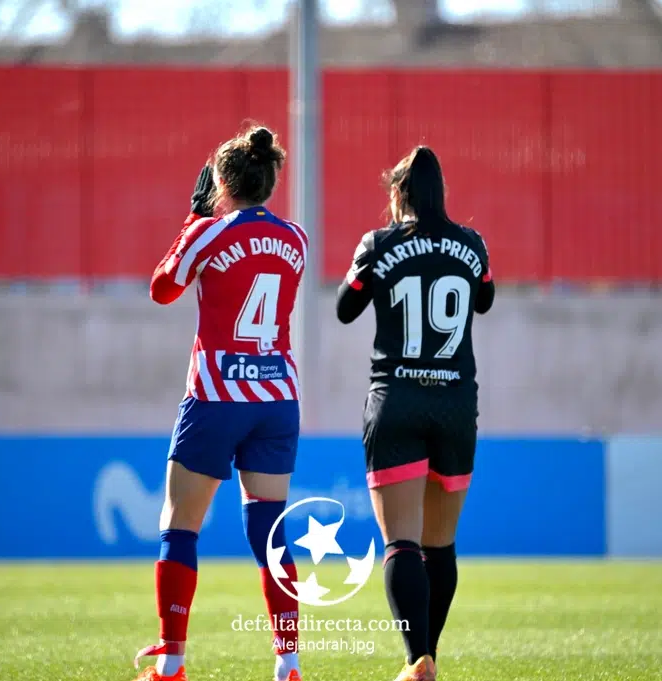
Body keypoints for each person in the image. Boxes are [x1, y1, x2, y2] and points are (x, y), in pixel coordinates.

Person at [132, 125, 308, 681]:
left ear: (220, 182)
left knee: (180, 525)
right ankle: (288, 661)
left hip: (216, 394)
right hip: (276, 395)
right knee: (269, 531)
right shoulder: (297, 238)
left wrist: (193, 222)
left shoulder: (208, 231)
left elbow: (162, 288)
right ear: (271, 180)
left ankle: (172, 659)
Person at [335, 146, 495, 681]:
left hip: (397, 399)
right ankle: (429, 655)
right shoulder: (472, 244)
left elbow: (345, 308)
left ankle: (415, 658)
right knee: (441, 543)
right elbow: (485, 299)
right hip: (454, 403)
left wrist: (375, 263)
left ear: (397, 194)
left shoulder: (378, 243)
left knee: (402, 540)